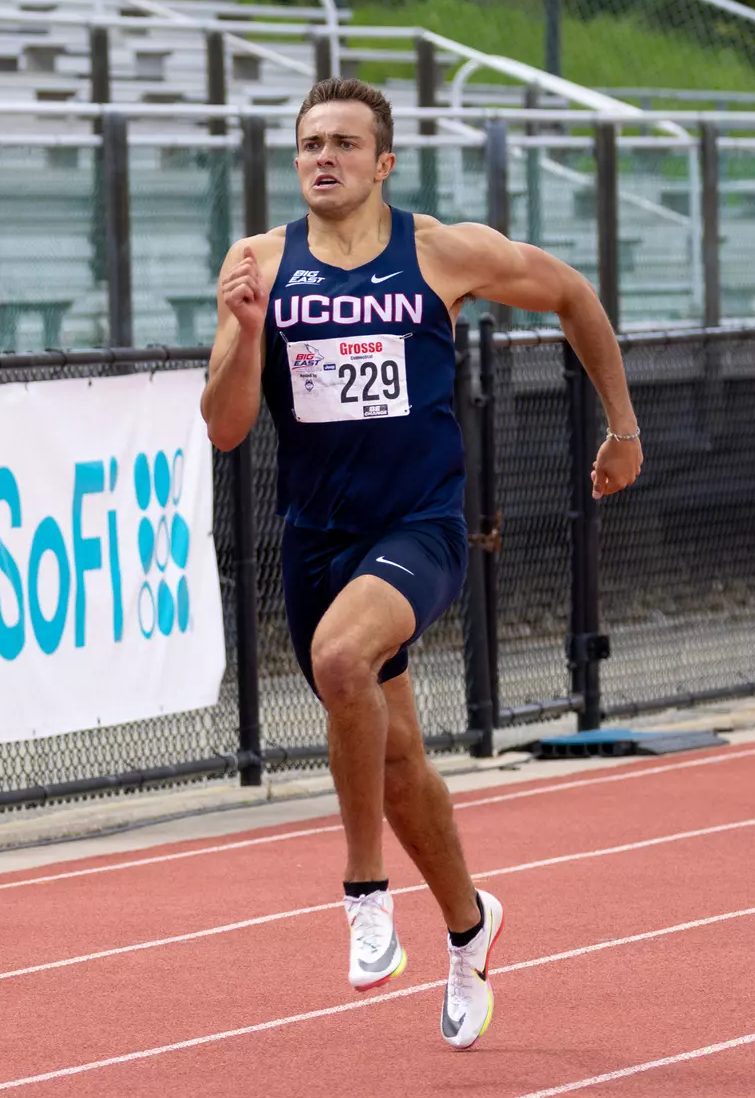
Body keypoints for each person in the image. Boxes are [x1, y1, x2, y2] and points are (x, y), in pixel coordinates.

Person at [200, 78, 643, 1048]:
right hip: (317, 539)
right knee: (399, 765)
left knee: (340, 659)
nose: (324, 157)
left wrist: (621, 424)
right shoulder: (258, 262)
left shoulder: (438, 251)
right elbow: (228, 428)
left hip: (422, 528)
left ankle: (363, 891)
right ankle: (467, 923)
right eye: (310, 142)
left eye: (345, 144)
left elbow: (570, 293)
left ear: (383, 162)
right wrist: (242, 331)